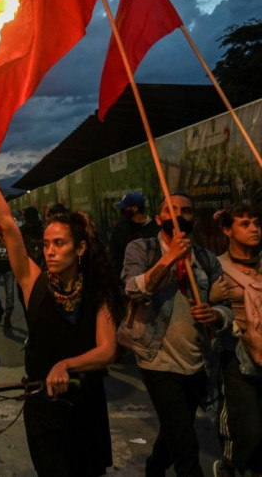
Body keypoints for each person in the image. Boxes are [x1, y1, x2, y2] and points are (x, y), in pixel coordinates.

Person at [0, 144, 121, 476]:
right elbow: (8, 226)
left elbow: (107, 350)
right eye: (47, 244)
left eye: (60, 244)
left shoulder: (98, 291)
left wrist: (67, 365)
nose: (50, 252)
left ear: (80, 248)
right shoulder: (33, 282)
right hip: (41, 405)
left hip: (85, 403)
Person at [119, 192, 231, 477]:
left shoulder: (206, 259)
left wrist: (215, 315)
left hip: (197, 363)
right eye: (171, 210)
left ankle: (155, 467)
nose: (179, 215)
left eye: (187, 211)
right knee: (186, 446)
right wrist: (170, 258)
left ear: (194, 218)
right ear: (159, 219)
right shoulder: (140, 249)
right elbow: (132, 289)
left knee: (175, 429)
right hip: (156, 360)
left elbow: (226, 308)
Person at [214, 204, 262, 476]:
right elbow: (209, 310)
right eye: (245, 224)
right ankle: (229, 465)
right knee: (248, 429)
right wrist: (212, 306)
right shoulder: (217, 267)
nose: (254, 228)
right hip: (238, 356)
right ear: (228, 230)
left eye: (256, 222)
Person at [109, 192, 160, 285]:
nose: (122, 210)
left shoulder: (155, 228)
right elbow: (114, 256)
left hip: (152, 282)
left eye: (125, 207)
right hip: (125, 283)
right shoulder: (121, 228)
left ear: (135, 209)